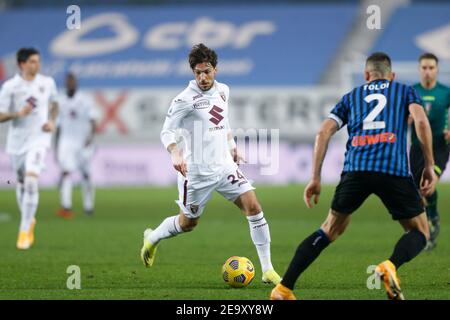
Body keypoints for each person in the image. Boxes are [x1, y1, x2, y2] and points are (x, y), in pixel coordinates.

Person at [271, 52, 436, 300]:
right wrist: (429, 165)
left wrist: (315, 178)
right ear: (392, 75)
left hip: (355, 170)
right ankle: (390, 265)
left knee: (329, 229)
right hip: (393, 169)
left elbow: (323, 132)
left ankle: (283, 288)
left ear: (366, 75)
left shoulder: (351, 97)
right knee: (420, 232)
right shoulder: (404, 90)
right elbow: (421, 123)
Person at [140, 44, 281, 285]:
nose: (203, 77)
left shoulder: (224, 90)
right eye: (198, 73)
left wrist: (233, 147)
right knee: (188, 223)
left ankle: (268, 270)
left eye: (207, 71)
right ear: (192, 72)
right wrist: (175, 152)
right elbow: (167, 132)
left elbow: (223, 122)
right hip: (196, 173)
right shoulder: (183, 100)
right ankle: (152, 238)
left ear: (215, 69)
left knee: (254, 207)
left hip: (225, 167)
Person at [0, 47, 59, 249]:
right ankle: (29, 218)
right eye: (33, 61)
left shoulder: (47, 83)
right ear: (22, 64)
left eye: (38, 61)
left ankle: (24, 230)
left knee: (32, 180)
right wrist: (17, 114)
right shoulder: (10, 87)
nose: (37, 64)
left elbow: (54, 104)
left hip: (39, 140)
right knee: (22, 183)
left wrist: (51, 121)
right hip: (17, 143)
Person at [409, 53, 450, 250]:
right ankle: (431, 215)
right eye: (424, 67)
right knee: (420, 191)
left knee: (428, 183)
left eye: (431, 67)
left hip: (440, 148)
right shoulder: (411, 92)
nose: (427, 71)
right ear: (419, 69)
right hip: (417, 148)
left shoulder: (446, 92)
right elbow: (400, 117)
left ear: (437, 69)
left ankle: (431, 222)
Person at [55, 72, 97, 219]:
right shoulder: (60, 101)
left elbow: (93, 120)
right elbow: (58, 125)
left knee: (86, 174)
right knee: (66, 172)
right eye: (68, 81)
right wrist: (56, 146)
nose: (70, 84)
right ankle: (66, 206)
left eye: (72, 81)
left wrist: (90, 137)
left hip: (82, 141)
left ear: (76, 83)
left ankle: (88, 207)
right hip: (66, 142)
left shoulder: (85, 100)